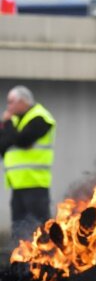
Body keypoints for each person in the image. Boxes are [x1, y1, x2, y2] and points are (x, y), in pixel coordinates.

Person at [0, 86, 56, 243]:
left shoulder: (41, 118)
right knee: (18, 228)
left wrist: (9, 125)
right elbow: (2, 145)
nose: (8, 106)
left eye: (11, 102)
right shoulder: (15, 121)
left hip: (35, 183)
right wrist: (9, 130)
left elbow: (23, 140)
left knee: (39, 227)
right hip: (17, 184)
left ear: (22, 101)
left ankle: (47, 261)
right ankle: (20, 263)